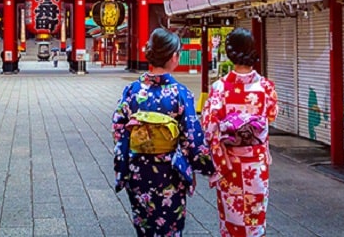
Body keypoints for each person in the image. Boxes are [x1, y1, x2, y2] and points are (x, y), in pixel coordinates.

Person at [112, 28, 214, 237]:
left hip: (138, 168)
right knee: (170, 227)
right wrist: (207, 167)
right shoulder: (180, 93)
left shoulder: (132, 90)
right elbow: (191, 137)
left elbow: (118, 127)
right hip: (169, 171)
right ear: (173, 57)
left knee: (145, 226)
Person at [201, 28, 278, 237]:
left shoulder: (219, 88)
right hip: (256, 163)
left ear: (229, 52)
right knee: (255, 217)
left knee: (231, 218)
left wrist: (218, 153)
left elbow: (209, 127)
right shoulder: (266, 87)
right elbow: (271, 115)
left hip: (230, 163)